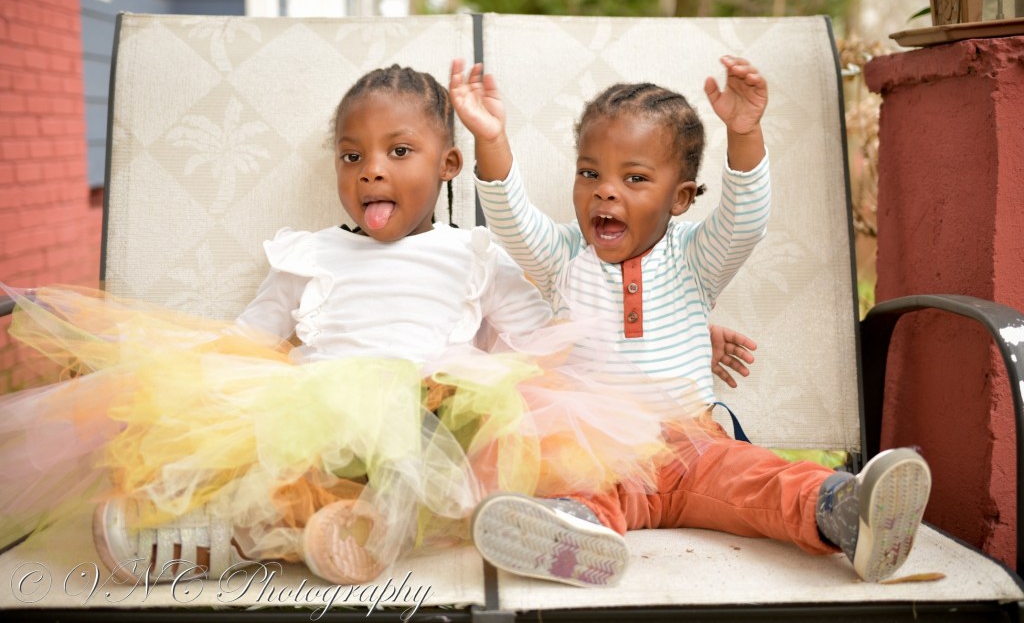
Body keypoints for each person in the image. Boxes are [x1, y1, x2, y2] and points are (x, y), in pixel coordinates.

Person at [0, 64, 745, 588]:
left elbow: (546, 337)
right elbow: (246, 341)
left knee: (432, 430)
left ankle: (358, 528)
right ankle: (221, 542)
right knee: (273, 470)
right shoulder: (306, 254)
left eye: (399, 152)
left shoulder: (474, 253)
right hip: (317, 409)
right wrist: (130, 353)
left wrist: (687, 328)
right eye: (352, 156)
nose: (372, 171)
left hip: (432, 413)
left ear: (449, 164)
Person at [449, 56, 932, 586]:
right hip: (598, 450)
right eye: (590, 173)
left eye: (635, 178)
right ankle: (572, 532)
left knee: (753, 476)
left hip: (692, 447)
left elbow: (745, 221)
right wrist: (491, 139)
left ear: (679, 198)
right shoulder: (562, 257)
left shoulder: (695, 258)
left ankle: (842, 509)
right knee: (582, 486)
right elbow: (512, 218)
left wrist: (744, 134)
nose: (605, 190)